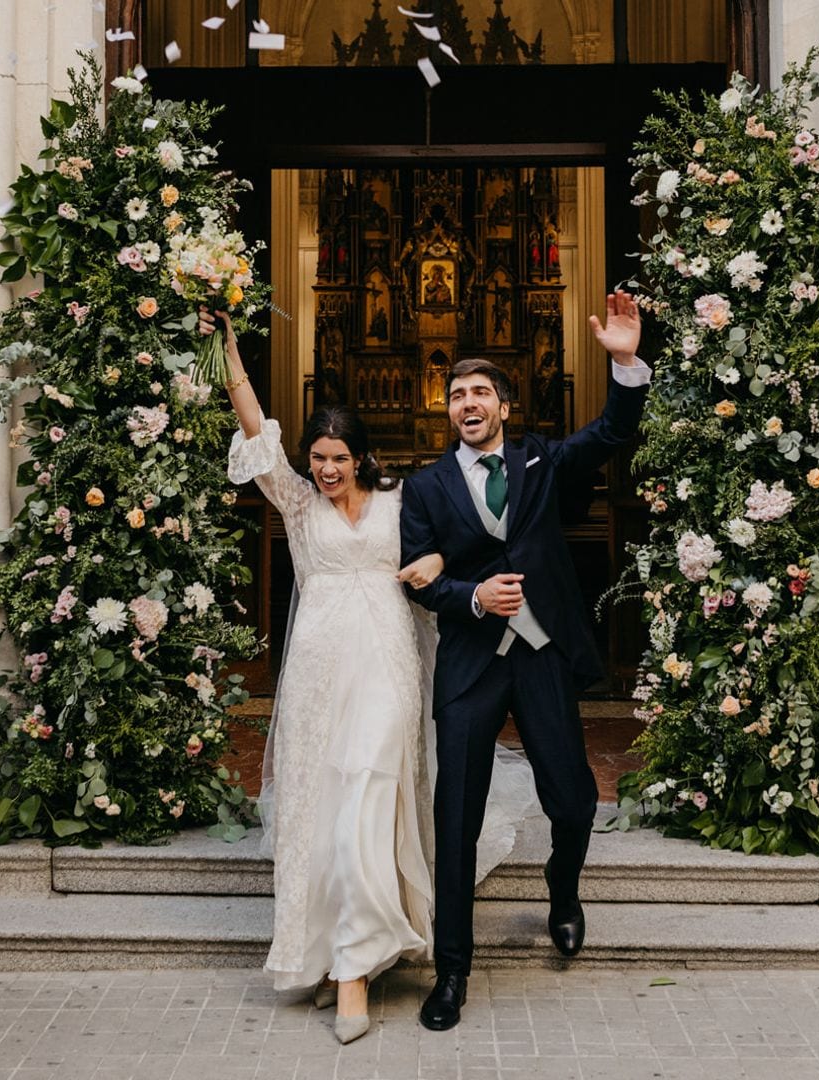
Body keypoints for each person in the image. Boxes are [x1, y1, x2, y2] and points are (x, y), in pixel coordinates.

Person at [200, 308, 533, 1045]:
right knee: (322, 809)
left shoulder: (400, 499)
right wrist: (227, 353)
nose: (324, 469)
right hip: (320, 669)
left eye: (336, 458)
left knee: (372, 791)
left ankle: (355, 966)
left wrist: (441, 563)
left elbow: (456, 538)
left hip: (387, 661)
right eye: (316, 457)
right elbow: (256, 430)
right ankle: (334, 956)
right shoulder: (296, 505)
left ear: (360, 457)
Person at [400, 290, 651, 1031]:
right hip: (474, 666)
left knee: (572, 800)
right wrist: (474, 597)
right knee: (457, 819)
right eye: (457, 395)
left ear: (505, 407)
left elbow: (610, 433)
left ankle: (563, 890)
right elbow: (421, 578)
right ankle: (451, 974)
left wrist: (626, 361)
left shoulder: (543, 460)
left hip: (542, 659)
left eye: (481, 392)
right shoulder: (426, 486)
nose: (467, 403)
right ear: (448, 411)